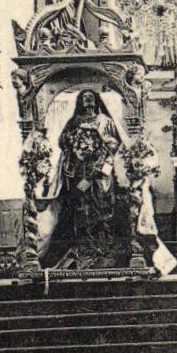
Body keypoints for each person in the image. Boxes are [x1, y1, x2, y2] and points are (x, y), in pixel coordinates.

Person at [44, 89, 128, 264]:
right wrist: (74, 139)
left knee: (103, 206)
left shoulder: (106, 121)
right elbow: (62, 141)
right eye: (84, 98)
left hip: (100, 173)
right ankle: (84, 246)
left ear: (96, 100)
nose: (88, 100)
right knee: (81, 208)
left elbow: (116, 144)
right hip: (79, 171)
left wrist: (100, 141)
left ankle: (105, 247)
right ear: (80, 102)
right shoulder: (74, 121)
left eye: (91, 97)